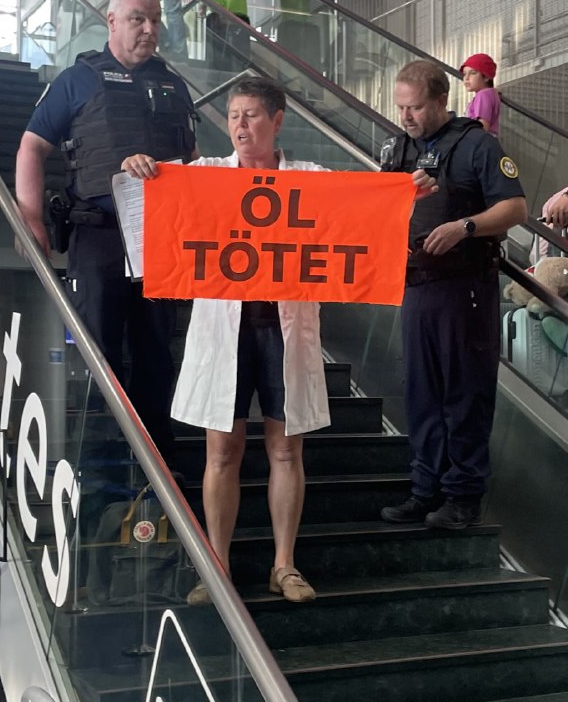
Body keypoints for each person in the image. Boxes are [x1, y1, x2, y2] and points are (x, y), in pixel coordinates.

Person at [121, 76, 436, 604]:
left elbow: (355, 207)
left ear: (277, 120)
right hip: (226, 327)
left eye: (252, 115)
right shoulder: (207, 177)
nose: (241, 126)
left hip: (283, 328)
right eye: (234, 116)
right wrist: (138, 169)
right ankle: (216, 567)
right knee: (221, 450)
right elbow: (155, 202)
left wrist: (403, 192)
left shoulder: (307, 179)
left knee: (286, 449)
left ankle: (284, 565)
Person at [15, 0, 198, 469]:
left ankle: (157, 460)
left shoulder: (173, 84)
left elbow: (196, 162)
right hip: (99, 235)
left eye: (155, 20)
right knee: (99, 350)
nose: (149, 29)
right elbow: (33, 146)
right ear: (111, 21)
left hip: (161, 242)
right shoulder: (78, 80)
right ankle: (98, 459)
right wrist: (28, 221)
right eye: (138, 19)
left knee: (157, 352)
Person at [379, 60, 527, 530]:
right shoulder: (397, 148)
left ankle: (463, 496)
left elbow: (516, 207)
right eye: (401, 106)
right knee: (421, 393)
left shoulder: (478, 145)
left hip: (466, 290)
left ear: (442, 101)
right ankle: (426, 490)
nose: (406, 116)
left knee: (464, 393)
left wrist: (465, 227)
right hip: (416, 285)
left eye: (416, 107)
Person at [460, 52, 501, 136]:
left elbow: (482, 126)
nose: (466, 78)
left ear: (486, 77)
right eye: (464, 74)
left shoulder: (483, 95)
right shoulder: (492, 94)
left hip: (479, 143)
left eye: (473, 73)